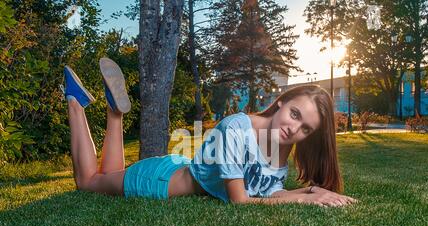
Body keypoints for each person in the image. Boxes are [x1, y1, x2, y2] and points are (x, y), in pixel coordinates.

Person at [63, 58, 357, 207]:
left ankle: (115, 114)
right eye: (294, 114)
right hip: (158, 182)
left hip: (176, 169)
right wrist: (302, 199)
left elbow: (269, 191)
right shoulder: (236, 129)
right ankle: (75, 101)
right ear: (280, 102)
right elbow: (240, 202)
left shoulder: (280, 144)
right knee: (89, 182)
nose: (294, 128)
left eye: (306, 128)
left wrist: (310, 191)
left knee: (108, 174)